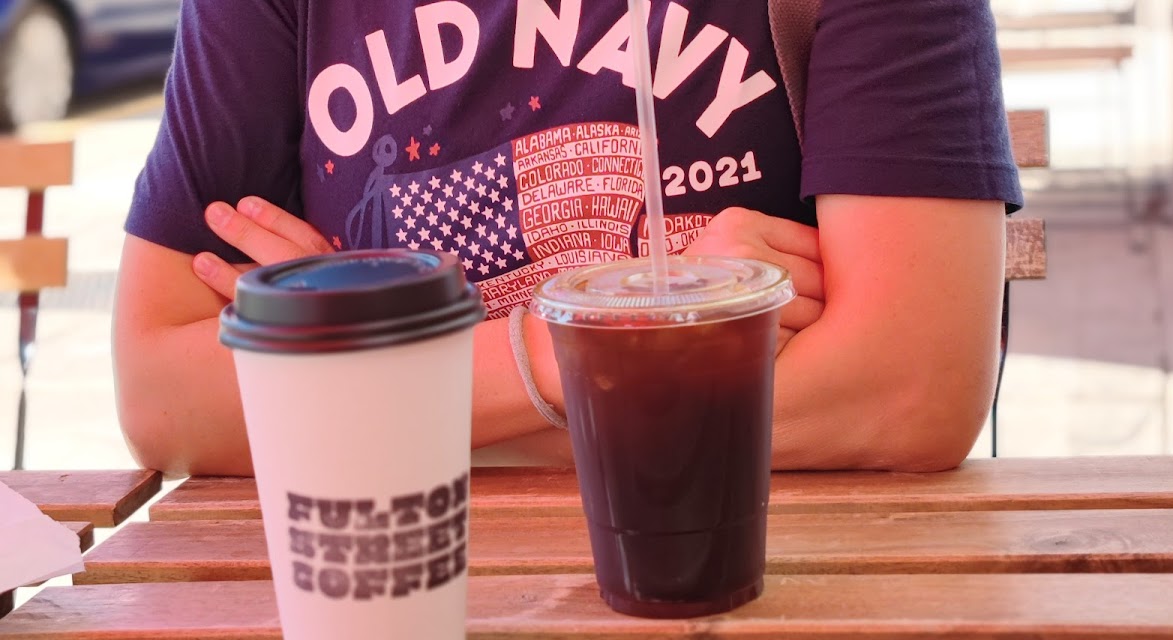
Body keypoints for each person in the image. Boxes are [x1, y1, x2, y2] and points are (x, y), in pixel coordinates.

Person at [113, 0, 1022, 478]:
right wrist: (620, 331)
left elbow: (910, 393)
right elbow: (164, 396)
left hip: (753, 589)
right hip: (377, 597)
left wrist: (359, 379)